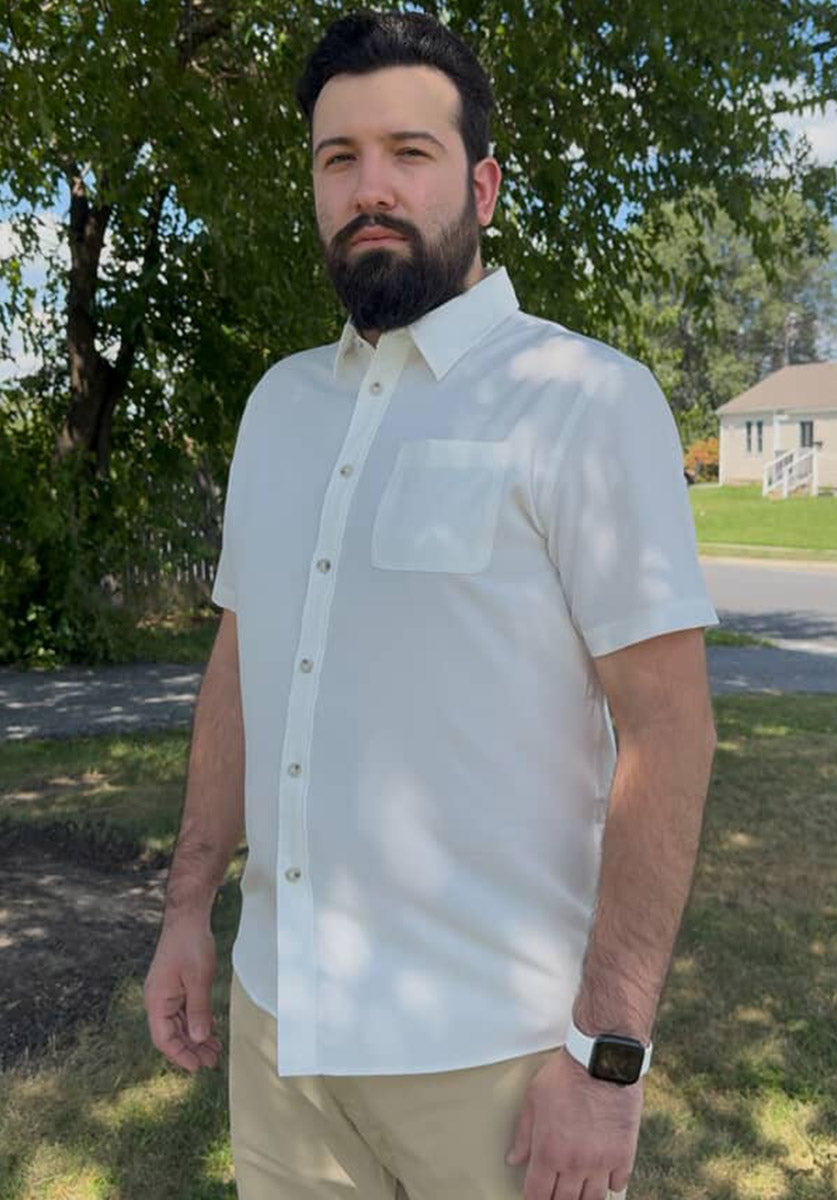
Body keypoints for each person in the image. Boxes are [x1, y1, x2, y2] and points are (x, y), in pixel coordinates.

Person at [142, 9, 720, 1199]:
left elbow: (669, 734)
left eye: (410, 152)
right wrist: (188, 908)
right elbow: (242, 669)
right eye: (339, 157)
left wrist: (608, 1055)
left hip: (499, 1061)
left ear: (483, 185)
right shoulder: (277, 409)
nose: (371, 186)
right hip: (281, 1035)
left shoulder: (584, 400)